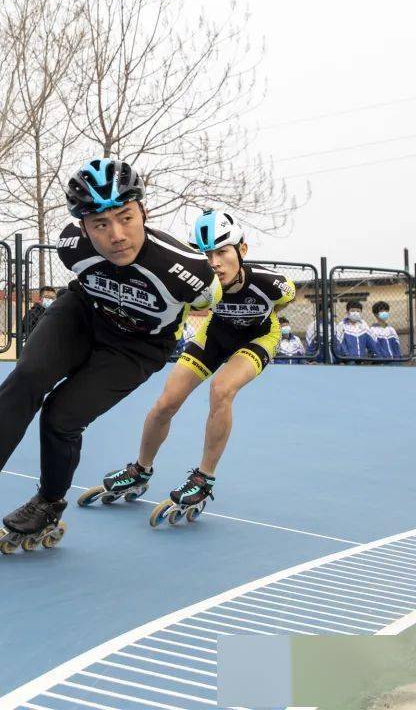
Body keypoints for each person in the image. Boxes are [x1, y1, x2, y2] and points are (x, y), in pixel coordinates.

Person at [0, 158, 221, 562]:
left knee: (62, 416)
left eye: (125, 217)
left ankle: (49, 504)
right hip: (83, 315)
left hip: (136, 347)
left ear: (144, 211)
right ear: (84, 227)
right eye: (100, 225)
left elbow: (213, 311)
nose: (117, 235)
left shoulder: (188, 272)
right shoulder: (72, 246)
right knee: (28, 376)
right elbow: (81, 281)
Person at [77, 208, 296, 525]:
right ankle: (140, 469)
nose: (215, 263)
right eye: (206, 255)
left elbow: (284, 301)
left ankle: (204, 479)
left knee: (221, 390)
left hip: (258, 337)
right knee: (166, 402)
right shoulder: (198, 281)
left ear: (242, 250)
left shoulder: (273, 285)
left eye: (222, 252)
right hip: (215, 334)